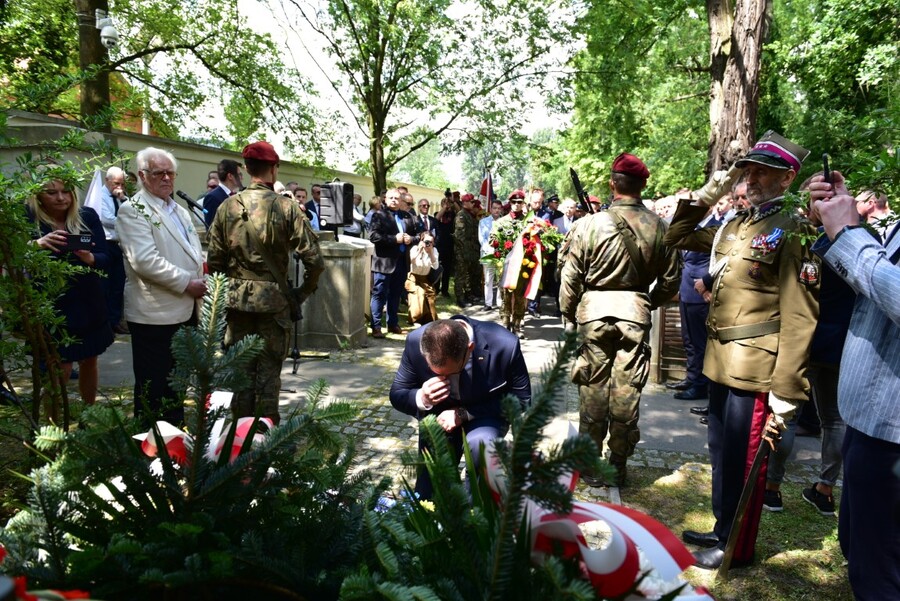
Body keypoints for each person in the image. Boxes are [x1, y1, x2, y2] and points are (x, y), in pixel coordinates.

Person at [665, 131, 820, 570]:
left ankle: (736, 547)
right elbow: (677, 234)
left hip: (756, 367)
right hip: (719, 361)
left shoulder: (794, 230)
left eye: (760, 171)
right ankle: (721, 526)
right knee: (721, 452)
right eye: (747, 169)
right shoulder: (736, 224)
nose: (749, 178)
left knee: (745, 457)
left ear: (787, 178)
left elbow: (801, 314)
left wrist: (786, 389)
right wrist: (714, 187)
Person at [559, 153, 680, 488]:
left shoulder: (588, 224)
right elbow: (671, 282)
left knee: (592, 389)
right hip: (635, 315)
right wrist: (645, 303)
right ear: (644, 185)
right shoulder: (660, 227)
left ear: (613, 184)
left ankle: (589, 463)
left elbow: (569, 278)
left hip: (593, 314)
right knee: (627, 391)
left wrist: (569, 315)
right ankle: (618, 463)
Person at [808, 170, 900, 600]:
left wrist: (846, 231)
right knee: (859, 547)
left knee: (879, 571)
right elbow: (876, 278)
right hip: (872, 422)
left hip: (891, 434)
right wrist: (835, 227)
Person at [207, 141, 324, 424]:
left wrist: (225, 297)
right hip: (274, 305)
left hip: (237, 305)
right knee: (269, 375)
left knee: (240, 375)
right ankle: (264, 445)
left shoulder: (227, 207)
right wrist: (301, 293)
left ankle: (237, 442)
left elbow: (214, 262)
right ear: (274, 168)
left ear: (246, 169)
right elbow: (315, 261)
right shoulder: (286, 208)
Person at [389, 318, 531, 499]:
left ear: (470, 349)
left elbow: (522, 398)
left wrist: (463, 414)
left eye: (451, 373)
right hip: (438, 416)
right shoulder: (414, 341)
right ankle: (431, 509)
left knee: (481, 444)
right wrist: (422, 397)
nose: (445, 378)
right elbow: (397, 394)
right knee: (430, 482)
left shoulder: (505, 344)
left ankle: (478, 512)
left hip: (484, 414)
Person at [117, 147, 207, 426]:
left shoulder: (178, 209)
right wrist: (186, 283)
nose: (167, 178)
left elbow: (190, 249)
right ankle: (153, 451)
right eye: (159, 173)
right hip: (156, 315)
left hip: (187, 311)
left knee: (177, 385)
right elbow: (144, 260)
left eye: (170, 173)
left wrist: (204, 266)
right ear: (143, 176)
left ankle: (174, 446)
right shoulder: (133, 210)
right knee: (154, 389)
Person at [27, 177, 114, 408]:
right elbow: (12, 255)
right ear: (38, 195)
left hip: (88, 302)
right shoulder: (29, 219)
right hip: (51, 307)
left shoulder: (86, 216)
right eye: (52, 193)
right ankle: (54, 428)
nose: (61, 198)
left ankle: (89, 414)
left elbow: (106, 258)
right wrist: (37, 244)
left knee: (89, 360)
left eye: (66, 191)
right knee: (59, 369)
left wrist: (90, 258)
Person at [667, 195, 732, 402]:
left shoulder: (718, 227)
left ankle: (700, 385)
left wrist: (707, 284)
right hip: (687, 289)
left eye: (698, 205)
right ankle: (692, 377)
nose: (694, 209)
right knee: (689, 341)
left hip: (701, 291)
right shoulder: (693, 228)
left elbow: (719, 262)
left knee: (700, 342)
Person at [369, 188, 417, 338]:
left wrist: (411, 239)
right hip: (384, 262)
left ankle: (392, 324)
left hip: (401, 262)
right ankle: (376, 326)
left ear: (401, 200)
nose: (394, 200)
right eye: (391, 198)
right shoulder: (379, 215)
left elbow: (419, 234)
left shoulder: (407, 216)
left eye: (397, 198)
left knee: (395, 294)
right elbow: (373, 236)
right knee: (379, 294)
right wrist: (393, 239)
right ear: (385, 199)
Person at [492, 190, 528, 335]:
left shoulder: (528, 222)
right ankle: (505, 326)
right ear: (510, 203)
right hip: (505, 265)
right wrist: (498, 243)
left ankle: (517, 325)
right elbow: (492, 240)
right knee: (505, 296)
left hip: (523, 265)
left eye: (519, 202)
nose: (516, 205)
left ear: (523, 204)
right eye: (514, 202)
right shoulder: (501, 222)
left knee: (520, 296)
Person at [98, 166, 129, 334]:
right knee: (106, 284)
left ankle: (115, 320)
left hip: (120, 245)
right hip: (106, 243)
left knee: (118, 284)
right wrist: (126, 220)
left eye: (123, 184)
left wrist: (123, 198)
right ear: (107, 181)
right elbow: (106, 219)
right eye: (117, 183)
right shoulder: (100, 195)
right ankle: (104, 322)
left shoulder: (121, 197)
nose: (120, 187)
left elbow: (135, 211)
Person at [405, 232, 440, 325]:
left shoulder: (434, 250)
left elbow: (436, 266)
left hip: (425, 279)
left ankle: (429, 319)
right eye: (426, 241)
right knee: (419, 293)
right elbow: (411, 260)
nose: (428, 244)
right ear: (421, 241)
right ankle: (416, 319)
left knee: (430, 296)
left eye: (431, 242)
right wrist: (419, 250)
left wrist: (431, 252)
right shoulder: (415, 248)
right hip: (413, 278)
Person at [453, 193, 480, 307]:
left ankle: (468, 295)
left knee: (468, 275)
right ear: (466, 203)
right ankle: (460, 298)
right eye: (472, 202)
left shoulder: (469, 215)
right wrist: (465, 252)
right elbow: (460, 237)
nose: (473, 204)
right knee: (460, 275)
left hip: (470, 251)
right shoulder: (461, 216)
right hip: (462, 251)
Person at [203, 159, 243, 227]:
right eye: (239, 175)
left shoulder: (236, 195)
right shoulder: (212, 197)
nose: (242, 178)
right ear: (230, 176)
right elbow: (211, 227)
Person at [479, 199, 503, 310]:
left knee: (500, 279)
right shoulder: (483, 222)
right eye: (494, 208)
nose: (496, 210)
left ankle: (499, 302)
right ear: (491, 209)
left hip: (501, 255)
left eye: (498, 208)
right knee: (488, 280)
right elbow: (481, 239)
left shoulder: (505, 222)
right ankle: (488, 303)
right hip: (487, 254)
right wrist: (491, 250)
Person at [434, 195, 456, 297]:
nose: (447, 205)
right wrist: (444, 207)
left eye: (447, 203)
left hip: (449, 245)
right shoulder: (437, 214)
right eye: (444, 203)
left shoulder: (453, 215)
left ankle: (445, 290)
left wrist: (453, 202)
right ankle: (436, 288)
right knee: (437, 267)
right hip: (439, 244)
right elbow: (437, 218)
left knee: (447, 269)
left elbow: (459, 210)